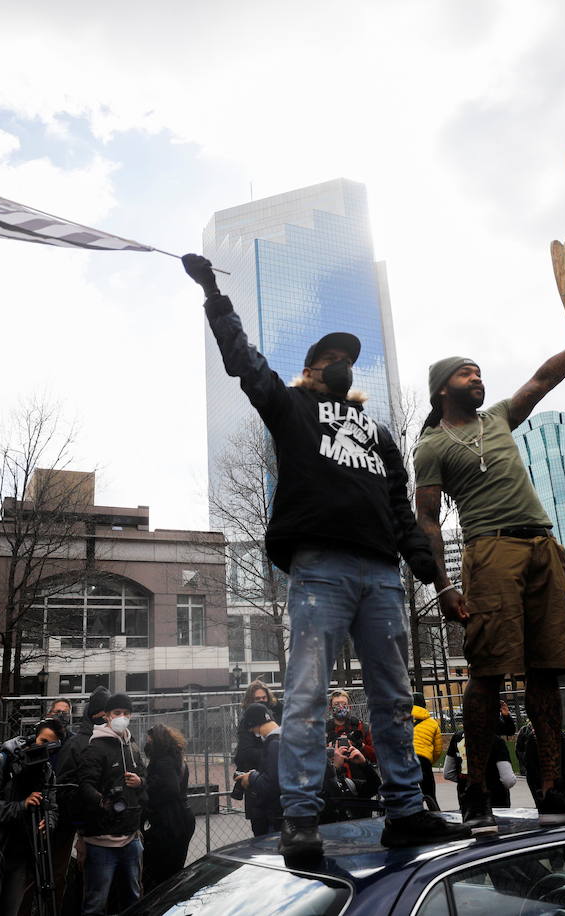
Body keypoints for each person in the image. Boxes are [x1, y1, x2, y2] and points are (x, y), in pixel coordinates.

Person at [183, 253, 469, 855]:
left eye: (349, 360)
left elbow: (400, 509)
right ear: (312, 369)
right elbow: (245, 362)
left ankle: (406, 810)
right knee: (308, 695)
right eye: (332, 359)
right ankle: (301, 817)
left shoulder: (379, 432)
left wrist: (431, 575)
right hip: (320, 569)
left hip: (382, 575)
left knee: (395, 698)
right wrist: (214, 294)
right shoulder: (290, 407)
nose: (343, 366)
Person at [414, 353, 565, 827]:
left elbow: (543, 379)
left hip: (543, 546)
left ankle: (552, 791)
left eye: (479, 372)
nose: (477, 378)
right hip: (491, 551)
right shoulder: (432, 445)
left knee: (548, 668)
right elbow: (427, 521)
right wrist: (443, 586)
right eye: (467, 373)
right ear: (443, 388)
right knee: (489, 672)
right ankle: (477, 794)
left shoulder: (499, 415)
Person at [0, 717, 66, 916]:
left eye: (52, 746)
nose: (45, 749)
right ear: (32, 737)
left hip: (24, 854)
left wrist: (46, 822)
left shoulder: (47, 772)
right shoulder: (3, 761)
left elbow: (52, 808)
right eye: (43, 742)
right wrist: (23, 805)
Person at [78, 693, 146, 915]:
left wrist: (140, 782)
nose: (122, 717)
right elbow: (84, 785)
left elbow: (145, 778)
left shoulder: (132, 745)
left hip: (131, 837)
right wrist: (103, 801)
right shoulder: (95, 747)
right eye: (117, 713)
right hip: (102, 841)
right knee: (96, 902)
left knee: (134, 898)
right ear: (107, 716)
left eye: (126, 713)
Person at [51, 687, 109, 912]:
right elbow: (65, 788)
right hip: (78, 824)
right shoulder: (77, 744)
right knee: (64, 873)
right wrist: (80, 828)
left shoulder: (117, 740)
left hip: (107, 827)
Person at [141, 724, 195, 892]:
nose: (147, 742)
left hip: (170, 821)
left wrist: (148, 789)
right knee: (173, 869)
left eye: (150, 739)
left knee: (160, 871)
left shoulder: (163, 761)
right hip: (180, 818)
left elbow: (171, 789)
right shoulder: (176, 758)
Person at [444, 727, 519, 811]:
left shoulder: (457, 737)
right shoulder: (496, 740)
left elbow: (448, 773)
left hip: (466, 799)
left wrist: (465, 780)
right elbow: (508, 780)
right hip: (494, 801)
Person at [236, 703, 284, 836]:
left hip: (276, 815)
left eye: (250, 727)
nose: (251, 731)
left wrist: (251, 778)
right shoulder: (284, 738)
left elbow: (272, 784)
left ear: (255, 723)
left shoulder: (274, 744)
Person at [232, 680, 281, 796]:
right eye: (257, 699)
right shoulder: (248, 722)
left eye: (264, 698)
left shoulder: (273, 717)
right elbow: (244, 752)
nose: (262, 701)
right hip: (254, 774)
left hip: (263, 776)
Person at [321, 740, 381, 823]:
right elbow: (329, 794)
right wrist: (334, 768)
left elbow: (375, 787)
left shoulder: (348, 784)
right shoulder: (314, 789)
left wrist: (363, 764)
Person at [325, 690, 376, 763]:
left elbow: (376, 757)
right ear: (330, 708)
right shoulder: (324, 730)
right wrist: (328, 751)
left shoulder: (361, 727)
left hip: (358, 769)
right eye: (336, 704)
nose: (341, 707)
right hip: (333, 771)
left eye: (344, 704)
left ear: (349, 707)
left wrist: (361, 745)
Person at [411, 693, 444, 807]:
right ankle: (436, 817)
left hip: (406, 760)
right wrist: (429, 761)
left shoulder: (402, 720)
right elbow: (438, 749)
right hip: (423, 760)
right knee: (430, 795)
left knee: (409, 795)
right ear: (424, 704)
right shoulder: (432, 723)